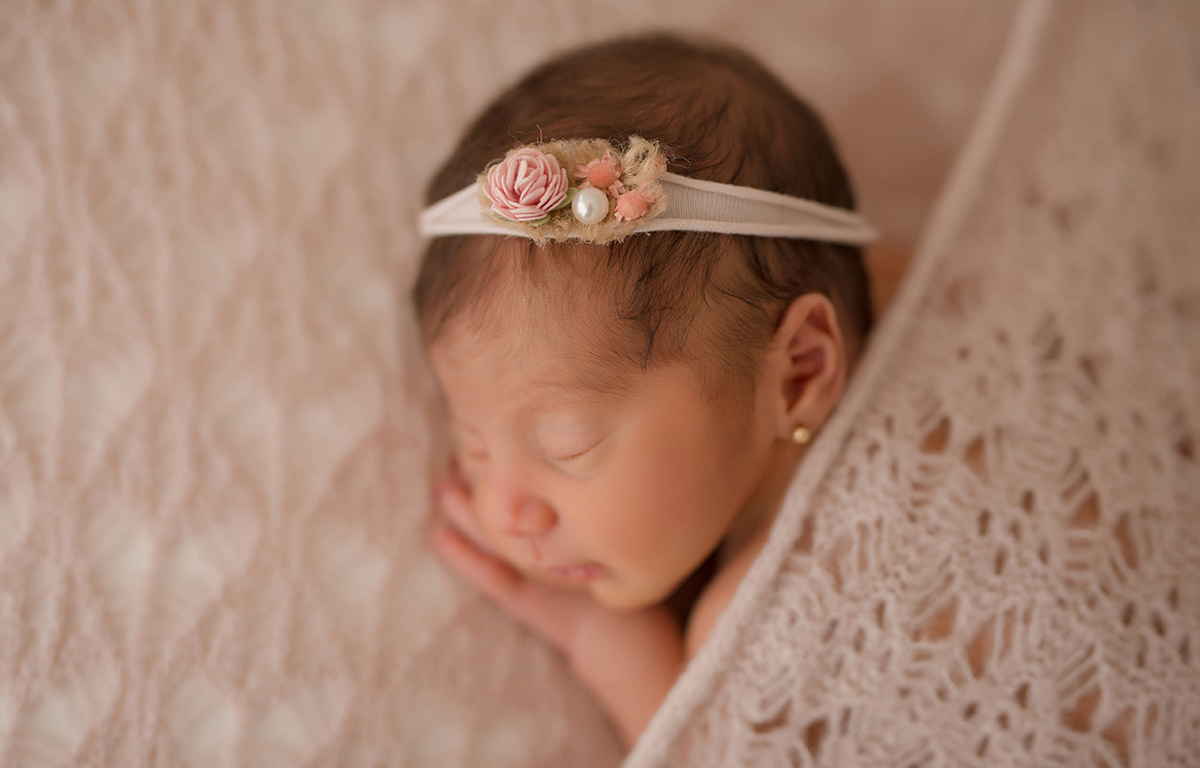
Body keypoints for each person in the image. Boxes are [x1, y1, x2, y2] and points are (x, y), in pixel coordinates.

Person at [413, 34, 876, 748]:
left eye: (569, 445)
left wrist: (614, 649)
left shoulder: (773, 605)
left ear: (801, 374)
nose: (503, 511)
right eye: (473, 447)